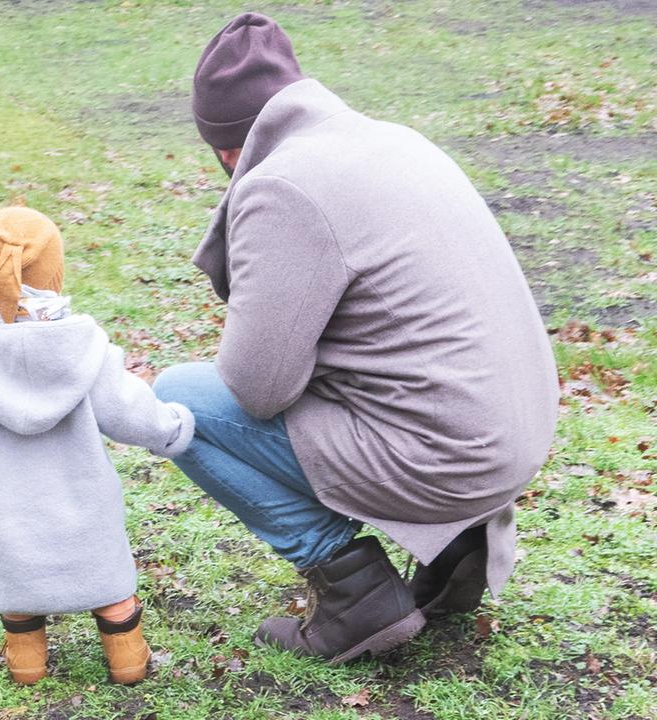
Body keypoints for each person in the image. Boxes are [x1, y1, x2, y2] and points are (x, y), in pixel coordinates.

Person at [152, 13, 559, 663]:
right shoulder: (392, 140)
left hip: (448, 455)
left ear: (228, 147)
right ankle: (458, 544)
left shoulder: (282, 183)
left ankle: (354, 593)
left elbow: (257, 388)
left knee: (179, 403)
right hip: (511, 437)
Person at [0, 206, 196, 684]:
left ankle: (27, 662)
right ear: (53, 271)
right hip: (84, 511)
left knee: (18, 593)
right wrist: (172, 427)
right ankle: (127, 659)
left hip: (7, 514)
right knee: (111, 592)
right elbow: (128, 413)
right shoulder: (85, 348)